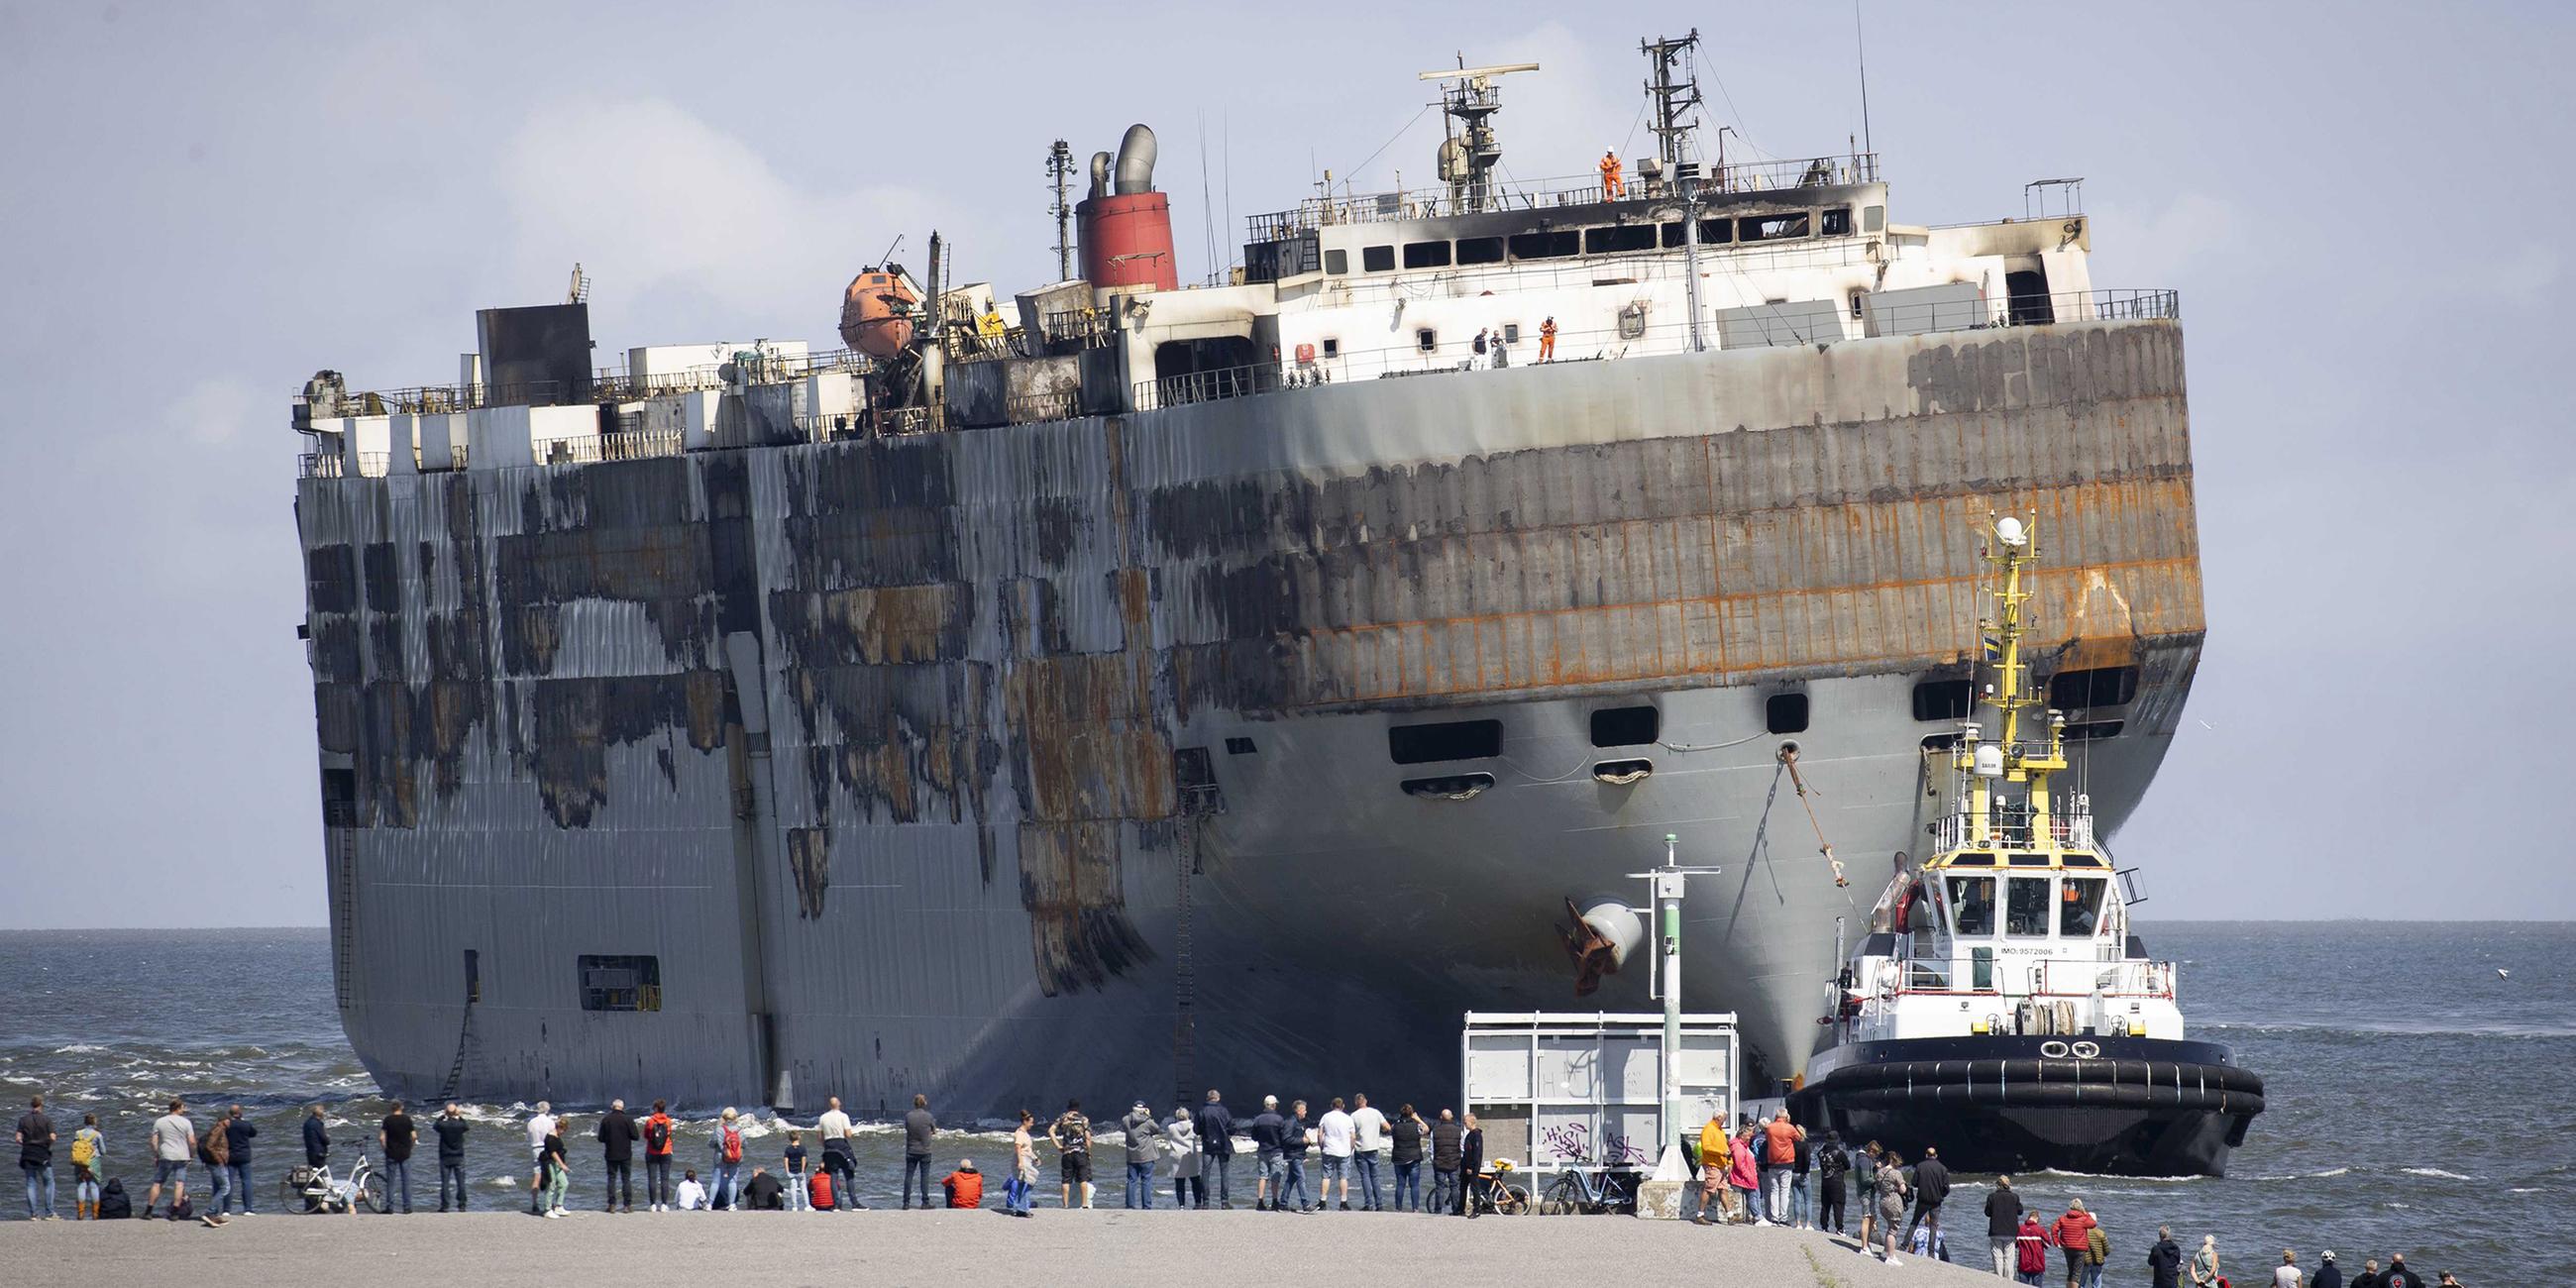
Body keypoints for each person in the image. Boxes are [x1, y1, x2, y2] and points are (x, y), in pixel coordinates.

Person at [143, 1098, 194, 1221]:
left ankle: (149, 1210)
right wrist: (192, 1154)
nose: (184, 1110)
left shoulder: (159, 1121)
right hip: (182, 1156)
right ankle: (175, 1212)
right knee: (179, 1183)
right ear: (178, 1108)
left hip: (165, 1155)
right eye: (183, 1108)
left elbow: (153, 1141)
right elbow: (192, 1142)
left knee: (158, 1183)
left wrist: (156, 1154)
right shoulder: (186, 1122)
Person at [590, 1099, 635, 1214]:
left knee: (611, 1179)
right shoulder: (628, 1119)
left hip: (611, 1153)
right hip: (625, 1153)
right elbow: (635, 1136)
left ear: (612, 1107)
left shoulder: (606, 1119)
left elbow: (600, 1138)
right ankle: (627, 1205)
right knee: (626, 1179)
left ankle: (612, 1205)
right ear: (622, 1107)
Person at [18, 1093, 56, 1221]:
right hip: (42, 1153)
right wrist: (48, 1144)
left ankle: (33, 1214)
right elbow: (52, 1137)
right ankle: (49, 1213)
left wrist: (26, 1143)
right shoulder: (46, 1119)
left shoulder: (23, 1120)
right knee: (49, 1182)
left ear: (31, 1105)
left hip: (28, 1153)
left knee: (30, 1184)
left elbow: (18, 1138)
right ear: (41, 1105)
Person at [1193, 1090, 1234, 1210]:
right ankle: (1224, 1201)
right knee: (1224, 1173)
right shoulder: (1223, 1110)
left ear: (1208, 1098)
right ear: (1218, 1098)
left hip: (1208, 1144)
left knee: (1205, 1173)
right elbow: (1232, 1127)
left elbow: (1196, 1130)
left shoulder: (1202, 1110)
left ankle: (1205, 1202)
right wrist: (1228, 1133)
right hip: (1223, 1144)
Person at [1049, 1099, 1094, 1209]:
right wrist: (1088, 1151)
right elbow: (1088, 1137)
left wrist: (1058, 1146)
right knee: (1083, 1178)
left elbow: (1051, 1131)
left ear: (1068, 1107)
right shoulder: (1083, 1119)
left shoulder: (1063, 1118)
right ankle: (1084, 1204)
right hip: (1081, 1151)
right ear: (1078, 1108)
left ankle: (1065, 1205)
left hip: (1067, 1152)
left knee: (1066, 1179)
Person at [1762, 1109, 1803, 1225]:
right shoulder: (1789, 1128)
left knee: (1774, 1190)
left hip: (1772, 1162)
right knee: (1784, 1191)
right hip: (1787, 1162)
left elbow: (1767, 1138)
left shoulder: (1769, 1128)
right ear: (1786, 1116)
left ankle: (1774, 1217)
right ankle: (1783, 1217)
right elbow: (1798, 1138)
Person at [1909, 1144, 1952, 1255]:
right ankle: (1931, 1252)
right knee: (1933, 1226)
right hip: (1936, 1202)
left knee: (1914, 1222)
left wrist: (1922, 1186)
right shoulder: (1943, 1168)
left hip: (1922, 1199)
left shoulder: (1920, 1166)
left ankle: (1903, 1245)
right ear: (1936, 1155)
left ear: (1926, 1155)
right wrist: (1941, 1195)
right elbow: (1946, 1188)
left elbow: (1914, 1182)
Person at [814, 1096, 856, 1213]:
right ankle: (854, 1202)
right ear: (838, 1104)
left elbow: (819, 1136)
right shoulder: (843, 1116)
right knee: (849, 1173)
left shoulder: (823, 1117)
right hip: (841, 1146)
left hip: (829, 1146)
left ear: (829, 1105)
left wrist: (825, 1145)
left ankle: (836, 1204)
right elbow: (848, 1134)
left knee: (833, 1175)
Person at [1120, 1100, 1162, 1209]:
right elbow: (1157, 1129)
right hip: (1146, 1156)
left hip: (1132, 1156)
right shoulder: (1148, 1122)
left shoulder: (1125, 1120)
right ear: (1143, 1109)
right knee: (1146, 1181)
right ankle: (1146, 1206)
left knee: (1131, 1181)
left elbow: (1125, 1128)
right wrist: (1149, 1116)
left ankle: (1130, 1205)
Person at [1348, 1093, 1387, 1212]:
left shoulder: (1353, 1116)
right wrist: (1379, 1132)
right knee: (1375, 1177)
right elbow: (1387, 1127)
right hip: (1373, 1147)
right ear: (1366, 1101)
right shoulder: (1376, 1112)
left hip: (1361, 1148)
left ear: (1356, 1103)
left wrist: (1350, 1147)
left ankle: (1369, 1204)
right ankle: (1379, 1204)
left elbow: (1352, 1134)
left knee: (1365, 1176)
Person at [1315, 1097, 1353, 1211]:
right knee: (1343, 1177)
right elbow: (1353, 1136)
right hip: (1344, 1151)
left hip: (1329, 1149)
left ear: (1332, 1106)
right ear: (1343, 1106)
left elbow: (1319, 1134)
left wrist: (1321, 1146)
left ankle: (1322, 1201)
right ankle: (1343, 1202)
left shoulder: (1325, 1117)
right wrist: (1350, 1148)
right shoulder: (1348, 1118)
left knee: (1326, 1176)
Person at [1690, 1111, 1729, 1225]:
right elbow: (1706, 1147)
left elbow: (1725, 1147)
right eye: (1724, 1118)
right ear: (1718, 1117)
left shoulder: (1719, 1130)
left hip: (1721, 1164)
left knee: (1723, 1189)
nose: (1724, 1121)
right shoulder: (1708, 1129)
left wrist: (1729, 1161)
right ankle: (1700, 1215)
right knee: (1709, 1189)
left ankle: (1730, 1215)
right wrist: (1722, 1153)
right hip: (1712, 1164)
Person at [1874, 1149, 1911, 1266]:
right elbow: (1903, 1190)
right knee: (1893, 1230)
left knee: (1889, 1227)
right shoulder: (1896, 1173)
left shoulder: (1879, 1172)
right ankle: (1890, 1257)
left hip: (1883, 1202)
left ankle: (1887, 1251)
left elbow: (1877, 1187)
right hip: (1893, 1202)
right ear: (1893, 1160)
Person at [1387, 1103, 1427, 1213]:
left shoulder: (1395, 1126)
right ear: (1411, 1114)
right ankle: (1415, 1208)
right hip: (1414, 1157)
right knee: (1414, 1184)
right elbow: (1426, 1129)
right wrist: (1418, 1119)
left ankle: (1398, 1208)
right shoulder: (1416, 1126)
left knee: (1400, 1184)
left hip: (1399, 1157)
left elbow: (1391, 1132)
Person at [1248, 1096, 1286, 1212]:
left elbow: (1254, 1137)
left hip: (1262, 1150)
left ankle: (1260, 1201)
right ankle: (1275, 1201)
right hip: (1276, 1151)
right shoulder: (1279, 1119)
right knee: (1275, 1177)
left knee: (1263, 1176)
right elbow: (1283, 1137)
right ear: (1274, 1105)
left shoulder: (1258, 1119)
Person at [432, 1103, 471, 1212]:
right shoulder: (460, 1125)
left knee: (445, 1183)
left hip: (445, 1156)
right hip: (458, 1155)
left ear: (446, 1112)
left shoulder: (442, 1125)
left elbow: (435, 1125)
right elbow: (466, 1126)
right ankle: (462, 1205)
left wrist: (443, 1116)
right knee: (461, 1182)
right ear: (456, 1112)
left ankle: (445, 1206)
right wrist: (459, 1116)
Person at [377, 1100, 414, 1214]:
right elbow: (414, 1136)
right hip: (405, 1153)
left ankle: (389, 1207)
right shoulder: (407, 1119)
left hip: (391, 1153)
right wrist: (410, 1148)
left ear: (391, 1108)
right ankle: (407, 1207)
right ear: (401, 1107)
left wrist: (385, 1149)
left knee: (391, 1181)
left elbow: (381, 1138)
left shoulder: (388, 1120)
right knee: (406, 1181)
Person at [2052, 1201, 2098, 1288]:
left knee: (2070, 1271)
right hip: (2080, 1248)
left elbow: (2054, 1229)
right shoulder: (2083, 1219)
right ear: (2080, 1207)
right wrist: (2085, 1213)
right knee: (2076, 1274)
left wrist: (2057, 1242)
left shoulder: (2063, 1218)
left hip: (2067, 1247)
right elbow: (2093, 1223)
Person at [1986, 1174, 2026, 1276]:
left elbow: (1987, 1212)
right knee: (2009, 1258)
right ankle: (2009, 1281)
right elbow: (2020, 1211)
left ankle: (1999, 1279)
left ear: (1998, 1185)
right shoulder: (2014, 1197)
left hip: (1996, 1230)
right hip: (2011, 1231)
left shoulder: (1992, 1197)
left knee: (1997, 1257)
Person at [1277, 1100, 1313, 1214]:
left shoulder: (1299, 1123)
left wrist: (1306, 1142)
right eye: (1304, 1110)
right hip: (1293, 1155)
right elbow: (1286, 1139)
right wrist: (1301, 1140)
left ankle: (1283, 1203)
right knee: (1301, 1178)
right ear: (1298, 1110)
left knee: (1291, 1180)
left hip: (1298, 1154)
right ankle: (1306, 1204)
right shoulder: (1290, 1122)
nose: (1306, 1112)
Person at [197, 1101, 232, 1220]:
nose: (229, 1122)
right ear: (223, 1120)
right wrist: (219, 1159)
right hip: (217, 1164)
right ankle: (210, 1212)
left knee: (220, 1187)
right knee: (225, 1188)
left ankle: (214, 1213)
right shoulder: (218, 1130)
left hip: (215, 1163)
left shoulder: (219, 1130)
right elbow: (209, 1146)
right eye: (228, 1120)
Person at [903, 1093, 936, 1210]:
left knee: (909, 1176)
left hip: (911, 1150)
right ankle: (925, 1202)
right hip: (925, 1150)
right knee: (924, 1177)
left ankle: (906, 1202)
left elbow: (907, 1128)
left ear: (914, 1103)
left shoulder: (908, 1116)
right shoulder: (929, 1116)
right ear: (924, 1103)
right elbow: (934, 1130)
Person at [709, 1107, 746, 1212]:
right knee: (732, 1181)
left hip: (720, 1158)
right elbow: (745, 1144)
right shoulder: (739, 1130)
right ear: (735, 1117)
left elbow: (711, 1144)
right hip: (735, 1158)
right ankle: (732, 1204)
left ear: (724, 1118)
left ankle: (710, 1204)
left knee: (716, 1181)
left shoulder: (719, 1129)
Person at [221, 1106, 257, 1215]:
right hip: (244, 1156)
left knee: (229, 1183)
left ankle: (226, 1210)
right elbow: (253, 1133)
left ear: (230, 1113)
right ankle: (248, 1209)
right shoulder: (246, 1124)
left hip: (230, 1156)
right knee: (246, 1182)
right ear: (240, 1113)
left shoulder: (227, 1125)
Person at [642, 1100, 676, 1212]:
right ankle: (664, 1204)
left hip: (652, 1151)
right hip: (666, 1151)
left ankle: (652, 1205)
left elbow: (646, 1135)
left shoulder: (650, 1121)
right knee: (664, 1179)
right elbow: (669, 1135)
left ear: (656, 1108)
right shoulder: (668, 1121)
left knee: (652, 1178)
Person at [1429, 1108, 1463, 1217]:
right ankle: (1456, 1209)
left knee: (1440, 1187)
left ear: (1440, 1118)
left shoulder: (1435, 1131)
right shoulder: (1459, 1131)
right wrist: (1459, 1159)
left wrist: (1434, 1160)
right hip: (1454, 1163)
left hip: (1439, 1163)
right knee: (1455, 1186)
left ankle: (1438, 1210)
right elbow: (1462, 1148)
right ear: (1452, 1117)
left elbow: (1431, 1149)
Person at [524, 1101, 556, 1215]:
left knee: (537, 1176)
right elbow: (553, 1137)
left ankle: (534, 1203)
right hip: (547, 1149)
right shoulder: (550, 1122)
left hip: (535, 1149)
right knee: (550, 1176)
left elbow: (528, 1137)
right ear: (547, 1110)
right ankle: (550, 1203)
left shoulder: (531, 1122)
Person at [1165, 1106, 1200, 1209]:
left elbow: (1168, 1137)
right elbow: (1197, 1136)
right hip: (1190, 1154)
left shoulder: (1171, 1127)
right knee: (1195, 1180)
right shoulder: (1193, 1126)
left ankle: (1181, 1205)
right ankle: (1198, 1202)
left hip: (1176, 1155)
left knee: (1179, 1182)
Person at [1816, 1128, 1849, 1234]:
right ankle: (1839, 1228)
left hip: (1825, 1180)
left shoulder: (1820, 1152)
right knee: (1838, 1205)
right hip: (1837, 1181)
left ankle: (1824, 1227)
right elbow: (1848, 1166)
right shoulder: (1840, 1153)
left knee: (1825, 1205)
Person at [71, 1113, 103, 1220]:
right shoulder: (97, 1134)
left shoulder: (78, 1133)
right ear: (94, 1122)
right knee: (93, 1186)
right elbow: (103, 1151)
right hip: (94, 1162)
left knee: (82, 1185)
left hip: (80, 1162)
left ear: (85, 1122)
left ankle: (80, 1214)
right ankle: (95, 1214)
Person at [1006, 1110, 1036, 1218]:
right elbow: (1018, 1147)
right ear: (1025, 1121)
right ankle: (1023, 1208)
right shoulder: (1019, 1133)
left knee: (1022, 1184)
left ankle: (1017, 1208)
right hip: (1022, 1159)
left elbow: (1027, 1148)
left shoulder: (1025, 1134)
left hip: (1026, 1158)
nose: (1032, 1124)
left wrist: (1035, 1158)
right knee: (1030, 1182)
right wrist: (1020, 1162)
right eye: (1031, 1122)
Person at [1728, 1122, 1760, 1224]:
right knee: (1749, 1196)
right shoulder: (1738, 1147)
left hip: (1745, 1176)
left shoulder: (1742, 1146)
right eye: (1748, 1137)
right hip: (1742, 1177)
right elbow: (1739, 1164)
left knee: (1749, 1196)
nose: (1749, 1138)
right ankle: (1755, 1216)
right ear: (1742, 1135)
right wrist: (1748, 1175)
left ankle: (1751, 1216)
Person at [539, 1115, 570, 1218]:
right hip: (550, 1163)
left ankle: (559, 1206)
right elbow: (553, 1153)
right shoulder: (550, 1137)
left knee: (564, 1183)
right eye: (564, 1130)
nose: (564, 1132)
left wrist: (562, 1163)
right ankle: (547, 1210)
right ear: (559, 1127)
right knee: (551, 1185)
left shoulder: (557, 1135)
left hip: (557, 1164)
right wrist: (562, 1165)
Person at [1856, 1140, 1884, 1248]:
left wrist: (1875, 1169)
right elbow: (1865, 1179)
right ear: (1871, 1151)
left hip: (1867, 1193)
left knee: (1872, 1218)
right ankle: (1864, 1246)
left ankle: (1866, 1244)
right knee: (1867, 1218)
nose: (1876, 1157)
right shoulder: (1864, 1160)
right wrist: (1877, 1181)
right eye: (1876, 1154)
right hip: (1865, 1193)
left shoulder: (1864, 1159)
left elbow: (1867, 1174)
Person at [1455, 1113, 1484, 1218]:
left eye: (1465, 1122)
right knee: (1462, 1187)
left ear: (1471, 1122)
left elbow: (1476, 1153)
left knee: (1474, 1188)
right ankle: (1460, 1208)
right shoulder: (1469, 1134)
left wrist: (1472, 1167)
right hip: (1465, 1166)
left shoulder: (1476, 1135)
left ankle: (1477, 1209)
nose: (1464, 1124)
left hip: (1472, 1167)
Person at [2015, 1210, 2052, 1285]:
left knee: (2022, 1286)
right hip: (2037, 1263)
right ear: (2037, 1219)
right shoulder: (2040, 1230)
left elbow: (2015, 1245)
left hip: (2023, 1262)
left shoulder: (2020, 1229)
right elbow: (2047, 1244)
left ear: (2029, 1218)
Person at [782, 1131, 809, 1212]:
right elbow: (803, 1159)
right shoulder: (802, 1148)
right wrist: (803, 1170)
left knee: (793, 1189)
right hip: (800, 1170)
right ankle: (807, 1205)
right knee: (803, 1188)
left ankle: (794, 1206)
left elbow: (786, 1160)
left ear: (790, 1139)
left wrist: (787, 1171)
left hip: (791, 1170)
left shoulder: (788, 1149)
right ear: (799, 1137)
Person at [302, 1104, 330, 1169]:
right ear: (320, 1113)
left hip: (310, 1152)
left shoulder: (307, 1123)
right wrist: (327, 1138)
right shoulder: (317, 1124)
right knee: (320, 1172)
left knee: (313, 1171)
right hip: (319, 1153)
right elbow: (324, 1139)